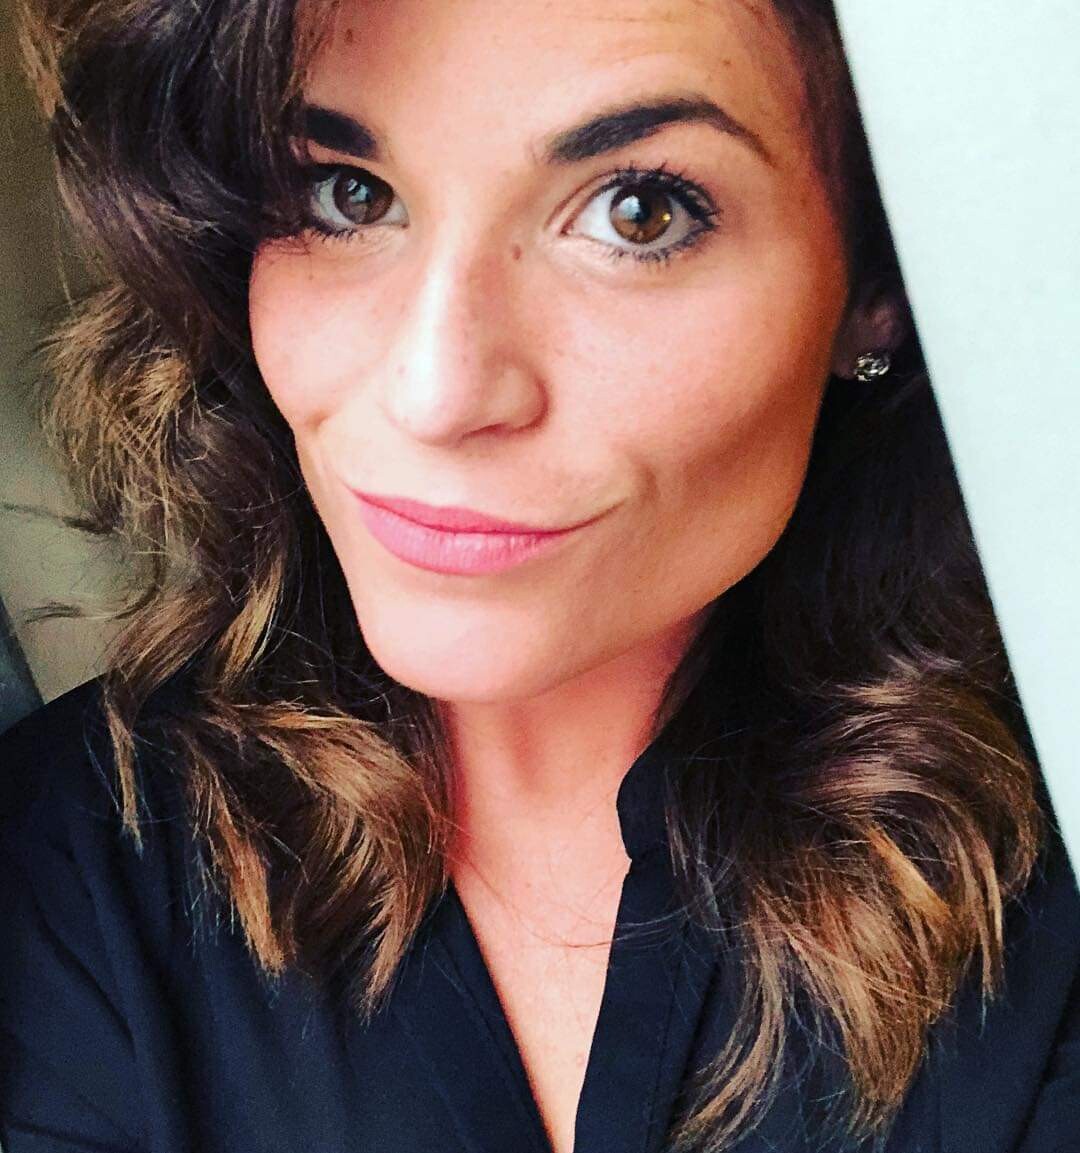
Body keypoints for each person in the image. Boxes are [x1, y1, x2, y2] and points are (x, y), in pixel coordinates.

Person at [1, 0, 1077, 1150]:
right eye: (347, 194)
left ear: (877, 283)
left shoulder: (1044, 860)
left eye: (638, 211)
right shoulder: (68, 867)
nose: (435, 391)